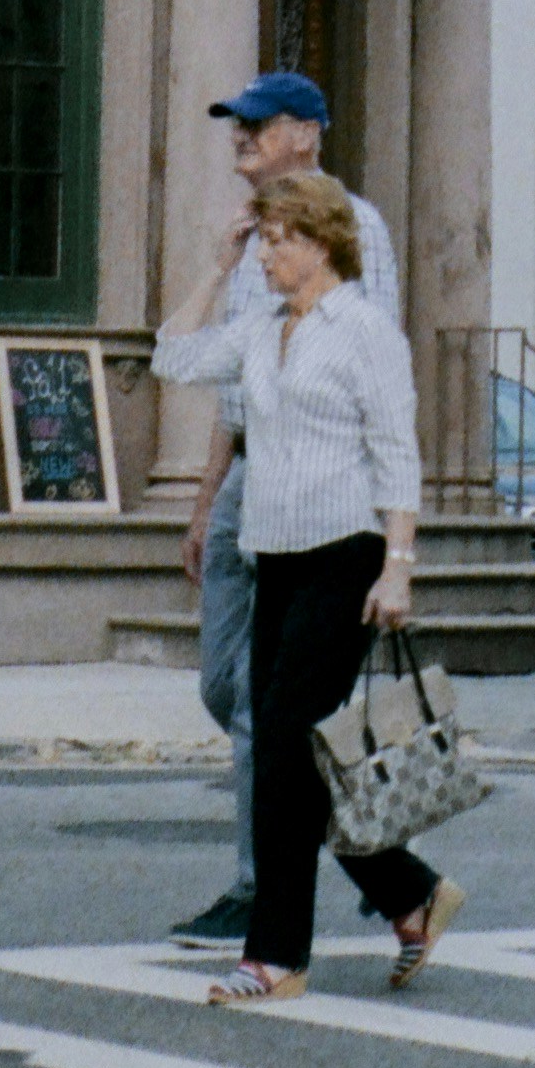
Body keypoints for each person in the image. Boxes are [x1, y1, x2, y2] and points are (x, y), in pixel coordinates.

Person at [155, 72, 394, 952]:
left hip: (314, 488)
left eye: (256, 123)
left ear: (306, 132)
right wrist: (205, 495)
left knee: (271, 708)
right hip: (246, 482)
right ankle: (378, 856)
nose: (240, 136)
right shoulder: (251, 237)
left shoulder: (352, 226)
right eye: (237, 124)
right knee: (226, 687)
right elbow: (221, 377)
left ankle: (262, 889)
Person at [209, 164, 448, 1000]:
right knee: (304, 753)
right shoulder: (267, 326)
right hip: (275, 555)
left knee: (280, 748)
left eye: (277, 241)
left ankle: (276, 954)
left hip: (345, 557)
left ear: (318, 242)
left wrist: (398, 564)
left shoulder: (365, 330)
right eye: (264, 240)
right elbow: (175, 356)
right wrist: (217, 263)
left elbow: (397, 449)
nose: (266, 256)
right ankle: (408, 890)